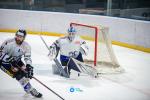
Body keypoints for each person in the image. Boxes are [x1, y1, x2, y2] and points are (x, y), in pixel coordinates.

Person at [0, 29, 42, 98]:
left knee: (26, 72)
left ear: (24, 37)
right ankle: (30, 89)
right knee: (18, 74)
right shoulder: (8, 41)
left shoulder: (26, 46)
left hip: (16, 61)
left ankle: (26, 86)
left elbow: (27, 58)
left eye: (20, 36)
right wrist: (8, 58)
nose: (18, 38)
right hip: (4, 62)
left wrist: (29, 67)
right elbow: (0, 53)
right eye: (17, 36)